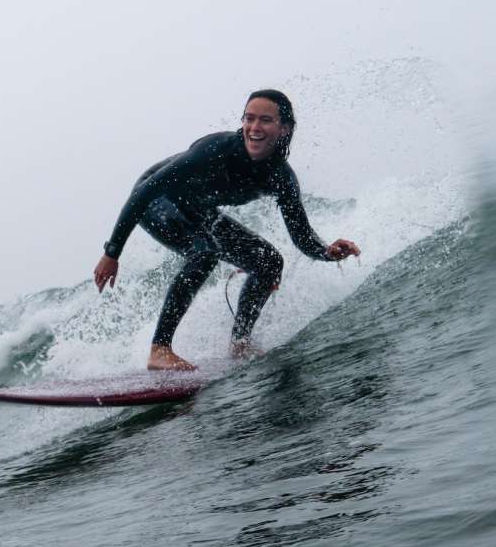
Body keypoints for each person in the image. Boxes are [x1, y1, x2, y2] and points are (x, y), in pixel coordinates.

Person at [93, 89, 360, 369]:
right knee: (205, 253)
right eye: (249, 118)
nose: (254, 128)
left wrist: (328, 252)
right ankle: (159, 349)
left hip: (195, 209)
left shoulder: (282, 178)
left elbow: (302, 237)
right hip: (156, 200)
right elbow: (145, 191)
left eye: (265, 120)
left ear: (284, 129)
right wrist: (112, 253)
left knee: (268, 261)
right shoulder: (214, 150)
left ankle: (240, 343)